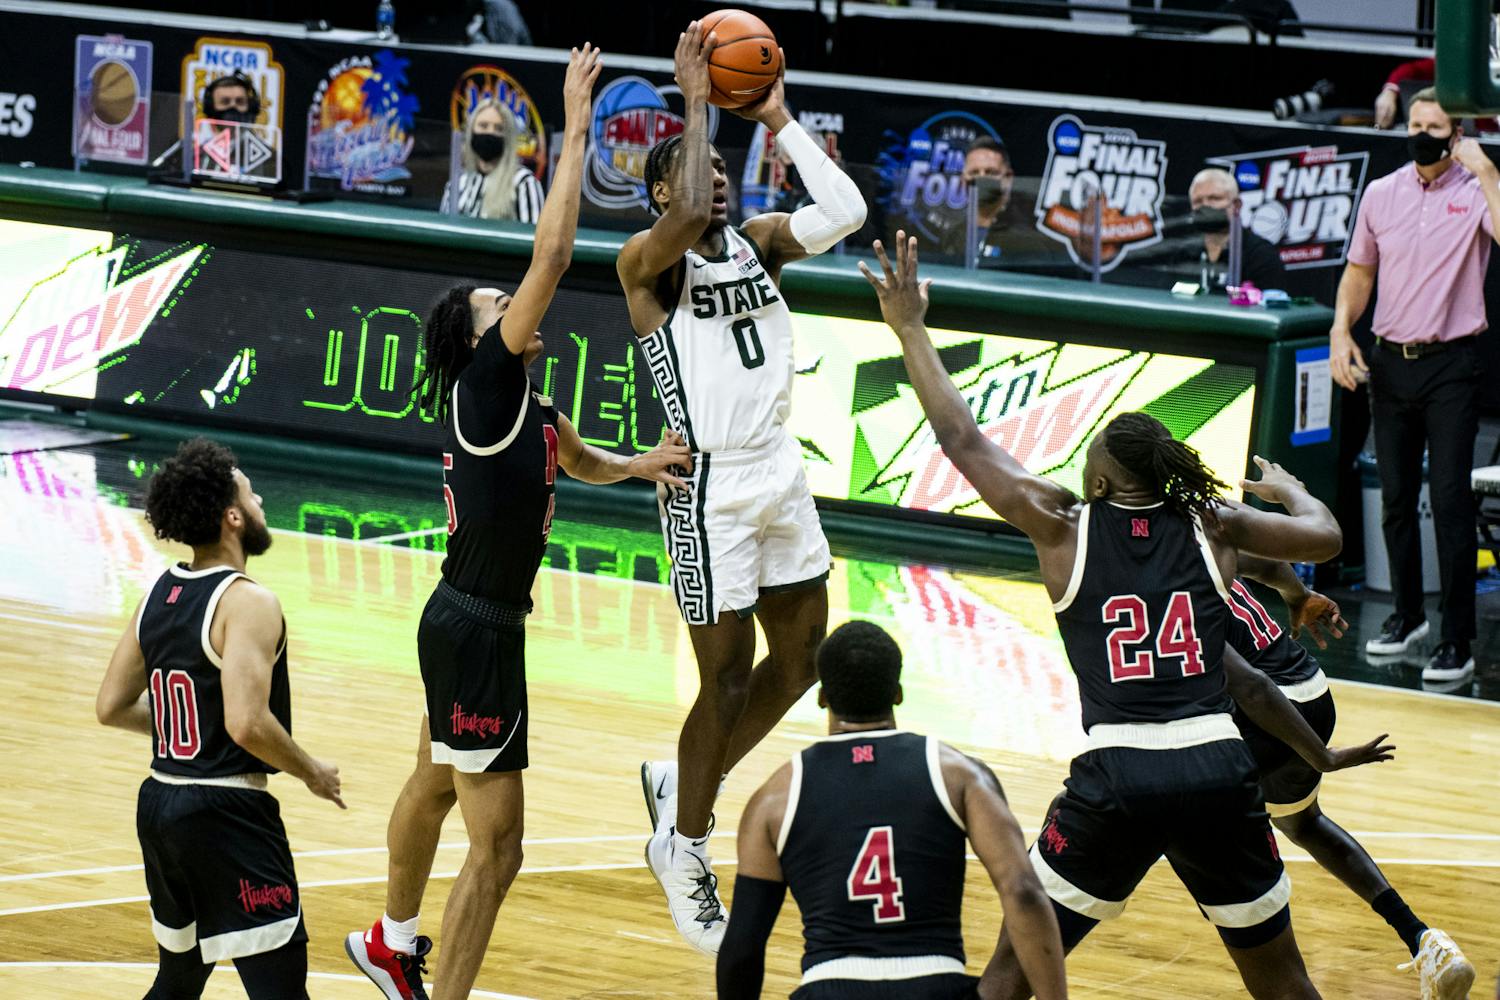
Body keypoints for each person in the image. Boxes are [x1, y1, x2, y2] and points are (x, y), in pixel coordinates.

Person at [860, 233, 1395, 999]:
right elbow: (1325, 540)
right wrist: (1292, 490)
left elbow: (960, 437)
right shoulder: (1213, 525)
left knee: (1012, 973)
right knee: (1283, 983)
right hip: (1219, 770)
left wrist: (910, 328)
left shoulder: (1063, 527)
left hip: (1119, 775)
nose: (1081, 465)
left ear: (1105, 484)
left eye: (1090, 460)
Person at [344, 45, 689, 1000]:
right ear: (477, 339)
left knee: (433, 782)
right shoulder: (487, 383)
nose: (514, 302)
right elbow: (555, 255)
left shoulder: (532, 413)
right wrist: (575, 128)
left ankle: (389, 940)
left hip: (465, 622)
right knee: (500, 851)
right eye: (497, 305)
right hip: (478, 629)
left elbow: (579, 459)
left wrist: (641, 465)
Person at [617, 22, 867, 954]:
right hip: (706, 485)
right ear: (659, 193)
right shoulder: (647, 264)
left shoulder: (761, 243)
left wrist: (776, 117)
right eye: (697, 169)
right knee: (722, 680)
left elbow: (846, 210)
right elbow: (686, 214)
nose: (714, 178)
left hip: (779, 471)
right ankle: (682, 846)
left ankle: (683, 780)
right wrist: (695, 101)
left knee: (801, 661)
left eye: (723, 168)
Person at [94, 437, 345, 1000]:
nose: (260, 504)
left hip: (159, 804)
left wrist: (189, 725)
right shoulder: (248, 602)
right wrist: (312, 772)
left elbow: (111, 705)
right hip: (226, 812)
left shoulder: (157, 592)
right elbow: (246, 723)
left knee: (178, 981)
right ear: (232, 517)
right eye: (252, 497)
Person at [718, 620, 1068, 1000]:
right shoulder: (959, 775)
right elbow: (1023, 893)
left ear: (822, 698)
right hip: (937, 985)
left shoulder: (775, 798)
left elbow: (742, 948)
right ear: (898, 694)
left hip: (830, 986)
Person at [1228, 556, 1475, 998]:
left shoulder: (1145, 559)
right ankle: (1424, 940)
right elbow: (1265, 563)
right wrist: (1299, 596)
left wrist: (1322, 757)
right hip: (1310, 689)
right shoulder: (1202, 530)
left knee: (1196, 828)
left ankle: (1285, 978)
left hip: (1268, 706)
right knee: (1303, 824)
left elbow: (1252, 688)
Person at [1329, 86, 1500, 683]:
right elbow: (1359, 271)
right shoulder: (1382, 193)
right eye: (1415, 126)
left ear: (1458, 135)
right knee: (1396, 500)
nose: (1422, 136)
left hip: (1451, 364)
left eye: (1435, 128)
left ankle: (1457, 639)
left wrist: (1487, 172)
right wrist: (1340, 330)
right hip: (1389, 361)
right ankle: (1406, 617)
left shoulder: (1475, 190)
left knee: (1450, 503)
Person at [1182, 167, 1288, 291]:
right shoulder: (1183, 254)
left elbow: (1270, 300)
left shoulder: (1261, 255)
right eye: (1198, 201)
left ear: (1236, 205)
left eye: (1214, 198)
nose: (1205, 205)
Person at [441, 99, 545, 224]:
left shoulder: (524, 183)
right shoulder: (457, 184)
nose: (490, 132)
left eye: (499, 128)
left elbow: (535, 234)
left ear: (508, 137)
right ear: (471, 132)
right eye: (483, 126)